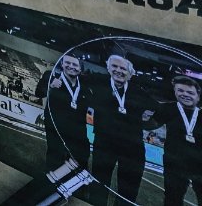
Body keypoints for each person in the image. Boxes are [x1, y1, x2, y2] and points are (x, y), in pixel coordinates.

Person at [88, 55, 152, 204]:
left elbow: (158, 109)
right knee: (98, 184)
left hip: (132, 146)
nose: (118, 70)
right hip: (104, 143)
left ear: (130, 74)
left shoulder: (138, 92)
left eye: (123, 68)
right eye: (115, 66)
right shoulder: (98, 83)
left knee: (128, 191)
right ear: (108, 68)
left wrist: (148, 119)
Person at [143, 76, 202, 206]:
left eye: (190, 92)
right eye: (180, 90)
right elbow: (150, 125)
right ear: (175, 91)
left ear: (198, 96)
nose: (185, 94)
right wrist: (144, 118)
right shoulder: (168, 108)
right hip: (175, 163)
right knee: (172, 198)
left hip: (200, 165)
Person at [35, 53, 91, 173]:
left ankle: (77, 182)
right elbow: (38, 92)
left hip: (77, 131)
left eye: (75, 64)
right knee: (56, 158)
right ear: (62, 64)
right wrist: (50, 85)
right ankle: (52, 180)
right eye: (67, 63)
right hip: (56, 128)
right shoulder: (51, 76)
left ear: (80, 68)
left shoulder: (85, 86)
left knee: (81, 159)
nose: (71, 66)